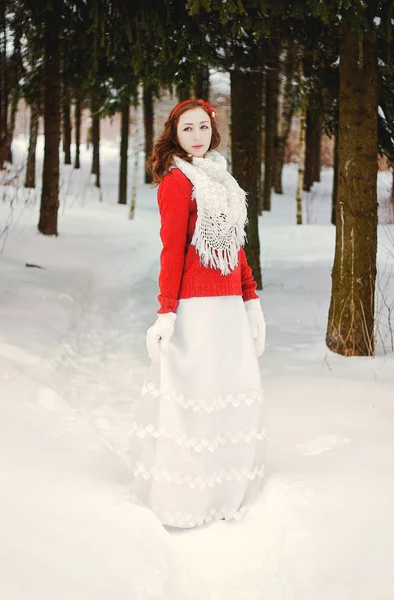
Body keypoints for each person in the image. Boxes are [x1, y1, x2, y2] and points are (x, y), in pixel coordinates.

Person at [128, 98, 266, 528]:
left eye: (203, 127)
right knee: (196, 401)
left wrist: (251, 298)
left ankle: (225, 491)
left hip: (228, 308)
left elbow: (234, 247)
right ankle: (187, 498)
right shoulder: (176, 182)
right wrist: (166, 312)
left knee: (228, 395)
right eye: (187, 129)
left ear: (213, 131)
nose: (197, 136)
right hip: (195, 309)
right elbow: (172, 251)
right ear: (174, 134)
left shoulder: (221, 180)